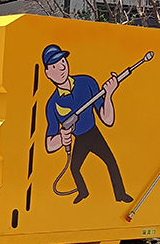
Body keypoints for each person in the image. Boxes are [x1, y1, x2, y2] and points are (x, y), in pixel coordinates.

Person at [42, 44, 132, 204]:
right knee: (74, 168)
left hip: (94, 133)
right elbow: (49, 145)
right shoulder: (52, 104)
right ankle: (83, 192)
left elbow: (108, 119)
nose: (61, 67)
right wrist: (61, 138)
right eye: (54, 65)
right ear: (48, 73)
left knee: (111, 162)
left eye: (62, 61)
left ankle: (121, 195)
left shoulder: (87, 82)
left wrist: (109, 95)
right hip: (80, 139)